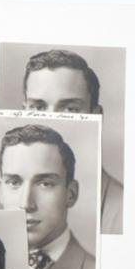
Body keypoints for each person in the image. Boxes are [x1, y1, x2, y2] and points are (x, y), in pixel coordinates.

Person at [21, 49, 123, 234]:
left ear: (96, 115)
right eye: (38, 107)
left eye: (69, 109)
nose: (49, 118)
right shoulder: (20, 198)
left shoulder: (124, 210)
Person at [0, 124, 95, 269]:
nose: (26, 203)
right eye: (14, 183)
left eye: (45, 184)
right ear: (0, 191)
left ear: (71, 194)